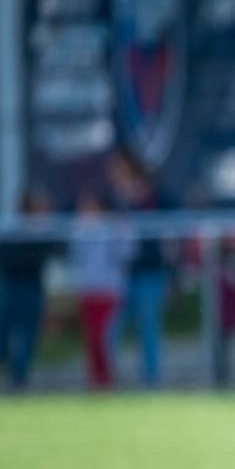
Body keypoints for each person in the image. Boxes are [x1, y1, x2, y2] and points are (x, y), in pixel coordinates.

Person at [106, 149, 173, 387]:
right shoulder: (118, 199)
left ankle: (150, 382)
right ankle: (107, 379)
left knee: (149, 331)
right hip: (125, 275)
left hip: (151, 273)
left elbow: (169, 234)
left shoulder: (157, 198)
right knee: (112, 329)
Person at [0, 188, 63, 391]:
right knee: (1, 337)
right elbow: (3, 260)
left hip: (30, 288)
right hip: (11, 288)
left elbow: (56, 252)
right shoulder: (11, 229)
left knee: (25, 336)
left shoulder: (41, 233)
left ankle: (19, 380)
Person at [67, 188, 132, 391]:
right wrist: (82, 230)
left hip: (108, 291)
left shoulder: (112, 229)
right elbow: (75, 255)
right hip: (88, 290)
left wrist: (121, 232)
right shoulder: (79, 230)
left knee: (104, 338)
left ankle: (107, 380)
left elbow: (125, 254)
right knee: (91, 339)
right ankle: (94, 381)